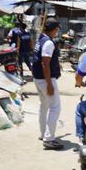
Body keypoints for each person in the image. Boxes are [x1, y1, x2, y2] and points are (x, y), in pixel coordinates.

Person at [32, 18, 63, 150]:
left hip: (38, 78)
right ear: (54, 29)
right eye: (57, 30)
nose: (57, 32)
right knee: (55, 107)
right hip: (45, 79)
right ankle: (49, 138)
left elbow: (46, 60)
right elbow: (45, 63)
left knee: (44, 106)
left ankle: (43, 133)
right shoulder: (48, 43)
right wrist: (50, 84)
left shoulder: (41, 39)